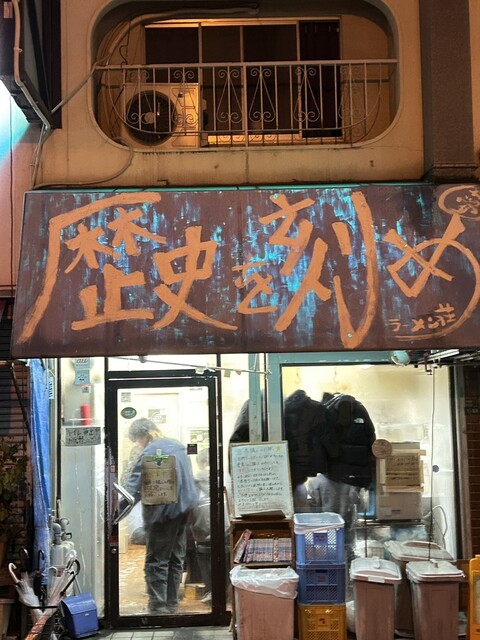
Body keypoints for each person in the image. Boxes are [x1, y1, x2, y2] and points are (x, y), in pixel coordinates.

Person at [122, 418, 199, 614]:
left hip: (162, 513)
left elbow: (132, 488)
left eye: (137, 440)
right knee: (175, 558)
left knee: (157, 561)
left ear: (144, 435)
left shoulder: (151, 452)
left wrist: (114, 514)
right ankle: (171, 604)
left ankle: (158, 607)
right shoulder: (178, 446)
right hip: (183, 511)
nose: (138, 445)